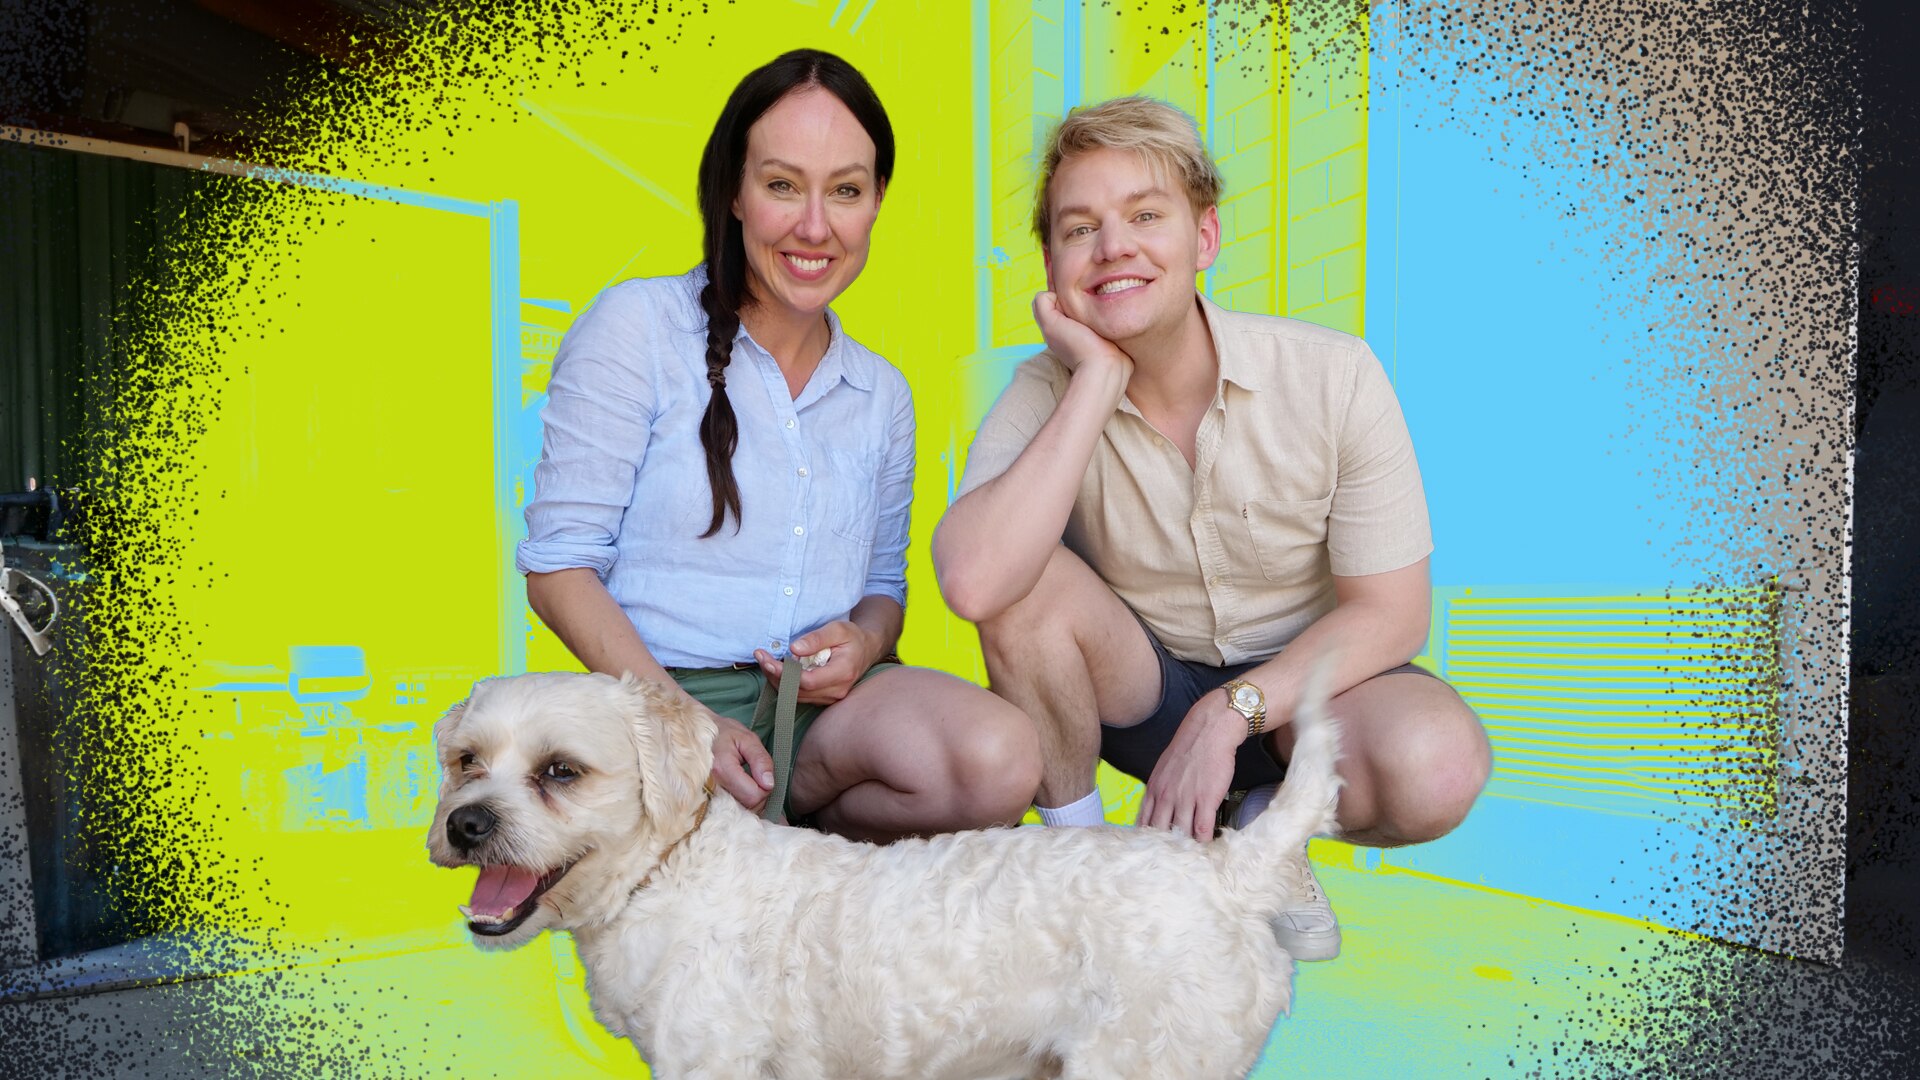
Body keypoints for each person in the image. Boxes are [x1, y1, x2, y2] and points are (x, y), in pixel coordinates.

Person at [933, 96, 1491, 960]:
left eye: (1145, 216)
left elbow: (1393, 614)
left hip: (1309, 703)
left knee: (1438, 761)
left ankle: (1267, 833)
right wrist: (1093, 383)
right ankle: (1084, 869)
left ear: (1205, 238)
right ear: (1051, 264)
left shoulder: (1334, 376)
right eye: (1079, 229)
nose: (1112, 246)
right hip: (1139, 700)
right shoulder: (1044, 390)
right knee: (1017, 566)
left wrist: (1233, 713)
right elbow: (973, 581)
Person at [516, 49, 1040, 844]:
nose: (815, 226)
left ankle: (795, 851)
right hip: (653, 692)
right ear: (734, 190)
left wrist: (864, 640)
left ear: (876, 203)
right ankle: (737, 841)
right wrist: (682, 724)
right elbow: (558, 569)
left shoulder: (881, 392)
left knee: (1000, 758)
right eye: (783, 185)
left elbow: (882, 589)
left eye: (847, 191)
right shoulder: (638, 327)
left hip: (824, 711)